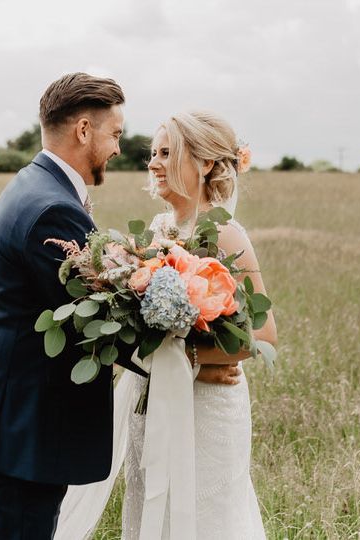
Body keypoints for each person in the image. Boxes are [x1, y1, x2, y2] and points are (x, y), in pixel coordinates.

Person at [0, 73, 144, 539]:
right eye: (116, 134)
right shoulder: (51, 208)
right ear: (84, 130)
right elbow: (100, 321)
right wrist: (182, 336)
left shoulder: (33, 186)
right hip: (24, 430)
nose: (118, 149)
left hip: (14, 421)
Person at [55, 111, 277, 539]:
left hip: (207, 405)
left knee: (204, 512)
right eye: (152, 154)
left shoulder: (227, 234)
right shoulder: (158, 229)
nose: (153, 163)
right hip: (153, 398)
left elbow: (263, 336)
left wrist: (193, 358)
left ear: (207, 163)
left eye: (167, 153)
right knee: (150, 506)